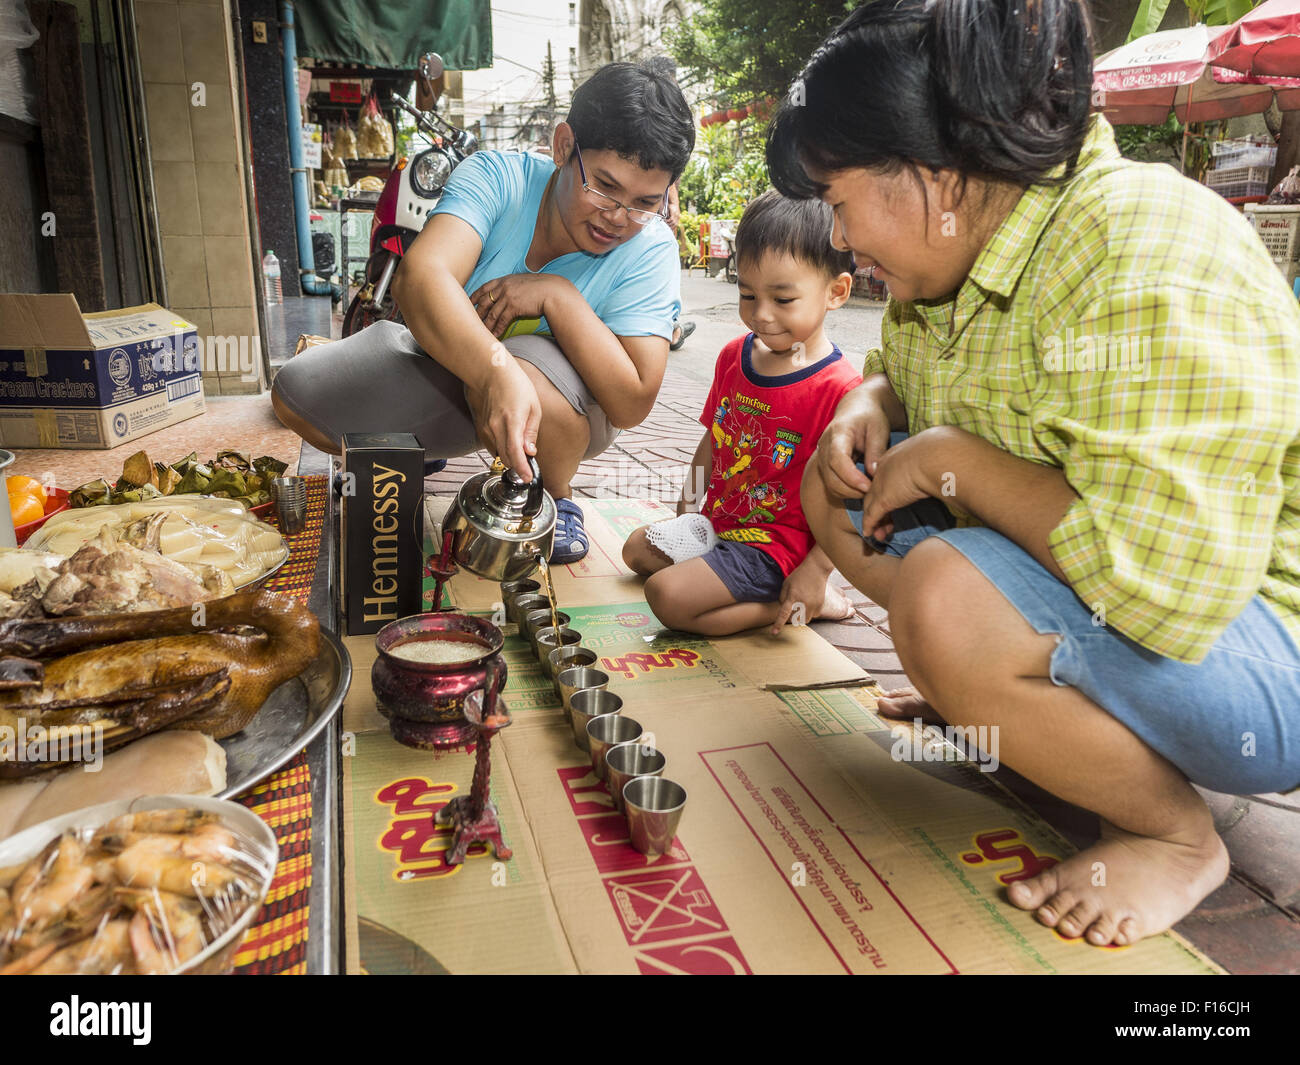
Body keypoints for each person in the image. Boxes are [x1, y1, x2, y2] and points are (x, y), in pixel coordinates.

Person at [770, 0, 1300, 948]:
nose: (841, 239)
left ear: (933, 178)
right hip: (1127, 599)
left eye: (840, 203)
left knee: (945, 595)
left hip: (1255, 649)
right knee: (835, 490)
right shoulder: (958, 256)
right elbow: (930, 382)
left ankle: (1172, 835)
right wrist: (875, 404)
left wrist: (949, 464)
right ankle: (1006, 699)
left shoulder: (1139, 245)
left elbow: (1161, 584)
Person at [271, 60, 695, 564]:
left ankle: (554, 496)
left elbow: (631, 403)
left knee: (530, 355)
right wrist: (495, 372)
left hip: (570, 417)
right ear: (563, 147)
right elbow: (421, 278)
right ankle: (431, 445)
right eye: (604, 187)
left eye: (644, 202)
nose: (619, 217)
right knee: (298, 394)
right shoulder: (497, 176)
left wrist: (555, 295)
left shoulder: (650, 249)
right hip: (457, 380)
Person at [622, 191, 861, 635]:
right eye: (748, 294)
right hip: (717, 527)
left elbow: (850, 498)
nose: (762, 315)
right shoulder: (735, 356)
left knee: (668, 597)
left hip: (775, 547)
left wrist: (818, 570)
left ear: (836, 292)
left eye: (783, 299)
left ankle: (799, 601)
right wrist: (687, 510)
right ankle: (771, 591)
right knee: (637, 551)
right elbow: (712, 441)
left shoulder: (840, 390)